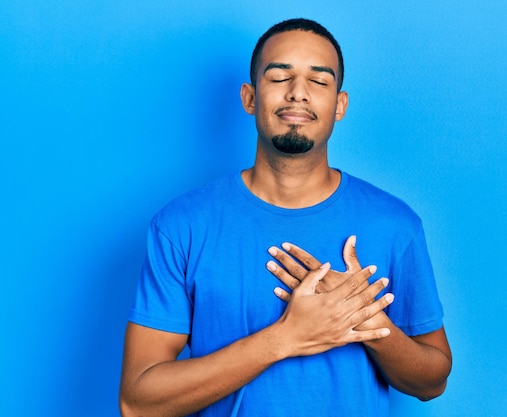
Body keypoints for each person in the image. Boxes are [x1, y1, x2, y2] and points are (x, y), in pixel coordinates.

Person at [119, 18, 452, 417]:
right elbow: (138, 403)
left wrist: (367, 321)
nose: (298, 93)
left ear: (340, 105)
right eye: (279, 77)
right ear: (250, 97)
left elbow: (432, 382)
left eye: (319, 81)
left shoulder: (396, 225)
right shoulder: (181, 226)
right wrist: (285, 338)